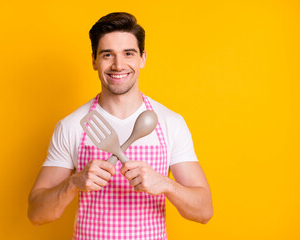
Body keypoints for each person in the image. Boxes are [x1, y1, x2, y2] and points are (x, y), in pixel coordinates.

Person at [28, 12, 213, 239]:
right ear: (94, 60)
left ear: (142, 58)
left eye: (128, 53)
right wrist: (74, 183)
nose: (118, 65)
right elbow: (37, 214)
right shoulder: (72, 125)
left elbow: (204, 211)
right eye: (107, 54)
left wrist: (166, 185)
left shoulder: (169, 123)